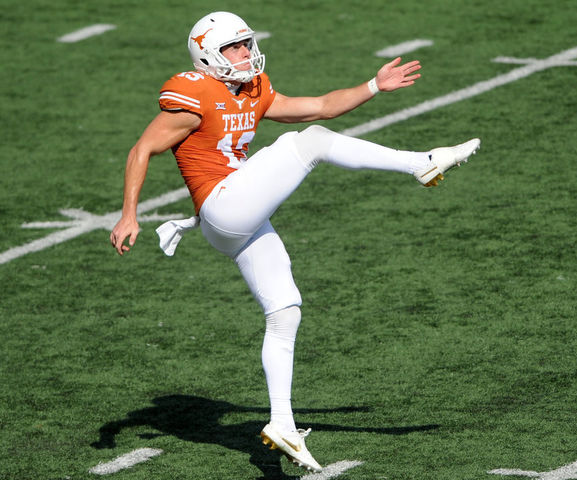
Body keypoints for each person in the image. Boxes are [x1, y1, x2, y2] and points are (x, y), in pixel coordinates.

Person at [110, 11, 480, 473]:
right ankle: (421, 162)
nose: (247, 52)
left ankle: (282, 423)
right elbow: (141, 148)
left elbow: (321, 105)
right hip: (222, 205)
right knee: (308, 143)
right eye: (235, 47)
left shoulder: (252, 88)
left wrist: (372, 86)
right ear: (208, 53)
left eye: (247, 43)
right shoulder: (195, 94)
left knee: (284, 310)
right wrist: (129, 213)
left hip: (238, 216)